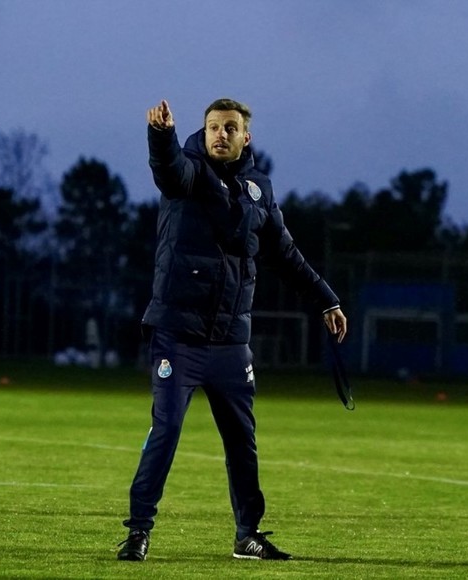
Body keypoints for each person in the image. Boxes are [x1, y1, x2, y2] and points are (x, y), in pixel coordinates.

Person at [116, 98, 347, 562]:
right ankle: (139, 530)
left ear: (246, 137)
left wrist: (327, 298)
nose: (219, 134)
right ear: (202, 133)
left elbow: (285, 252)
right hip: (177, 337)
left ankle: (248, 535)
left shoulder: (258, 189)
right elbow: (167, 170)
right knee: (167, 430)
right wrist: (160, 136)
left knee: (242, 441)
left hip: (230, 344)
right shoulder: (189, 173)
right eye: (212, 127)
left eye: (229, 127)